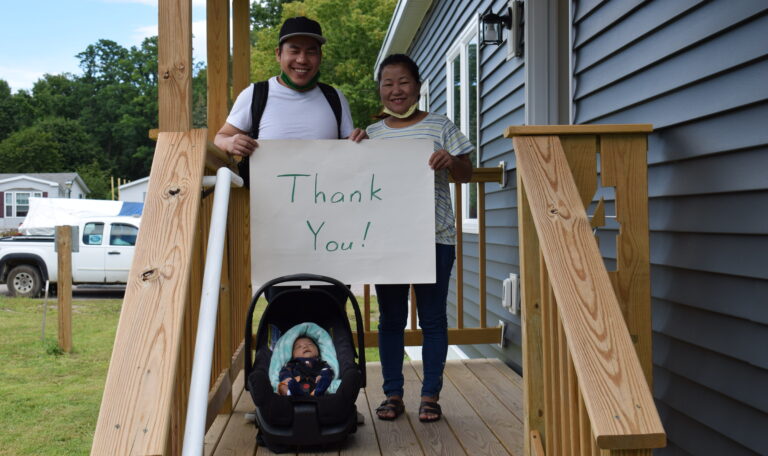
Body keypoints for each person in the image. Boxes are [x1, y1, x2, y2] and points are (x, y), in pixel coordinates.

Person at [214, 15, 364, 303]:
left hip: (330, 232)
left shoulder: (334, 97)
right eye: (294, 50)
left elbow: (350, 153)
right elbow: (220, 138)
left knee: (330, 306)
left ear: (320, 57)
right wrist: (231, 141)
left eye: (311, 51)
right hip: (275, 229)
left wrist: (359, 143)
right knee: (282, 309)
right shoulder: (256, 95)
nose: (302, 59)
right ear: (279, 54)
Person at [366, 54, 473, 423]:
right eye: (388, 84)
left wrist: (451, 161)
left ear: (418, 86)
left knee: (433, 320)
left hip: (435, 238)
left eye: (403, 82)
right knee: (391, 320)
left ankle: (431, 394)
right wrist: (352, 149)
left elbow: (467, 173)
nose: (396, 90)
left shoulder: (441, 125)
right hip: (389, 240)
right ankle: (392, 394)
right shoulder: (372, 134)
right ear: (380, 90)